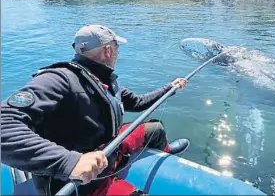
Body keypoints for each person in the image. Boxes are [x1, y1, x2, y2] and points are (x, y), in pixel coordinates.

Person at [1, 24, 190, 196]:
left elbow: (139, 102)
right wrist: (68, 162)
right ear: (107, 50)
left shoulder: (104, 81)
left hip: (108, 151)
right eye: (117, 47)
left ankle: (165, 154)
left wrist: (170, 88)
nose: (118, 52)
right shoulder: (58, 79)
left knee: (154, 129)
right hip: (83, 182)